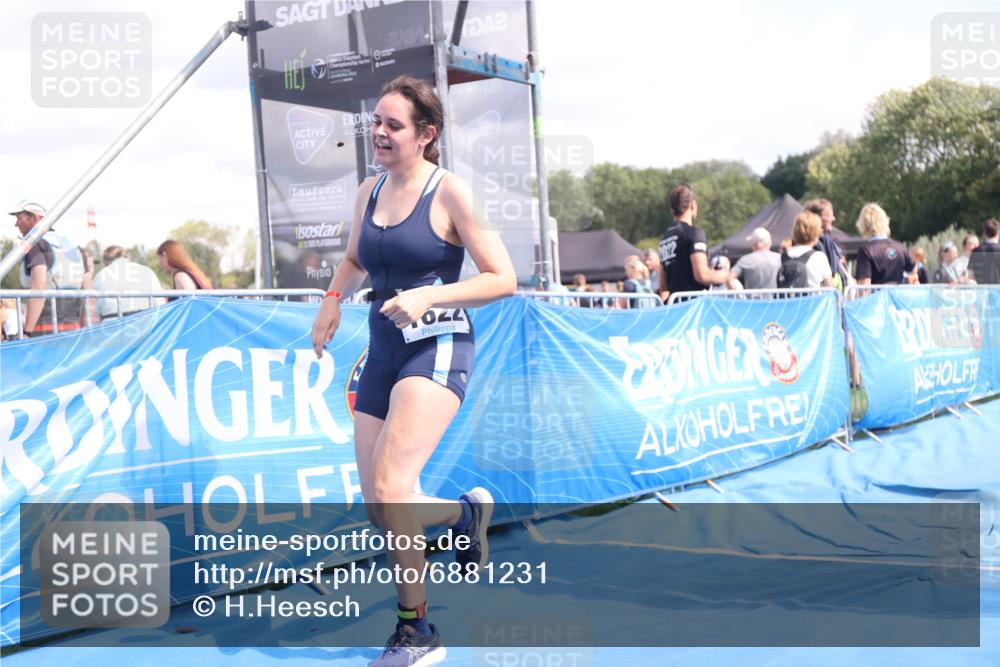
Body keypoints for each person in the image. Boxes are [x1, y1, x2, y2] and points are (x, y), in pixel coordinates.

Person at [308, 75, 516, 666]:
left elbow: (503, 278)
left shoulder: (452, 193)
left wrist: (430, 295)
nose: (378, 132)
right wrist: (331, 299)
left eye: (392, 125)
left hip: (438, 344)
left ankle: (417, 632)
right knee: (380, 505)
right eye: (376, 121)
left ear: (426, 134)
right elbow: (355, 258)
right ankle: (464, 514)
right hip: (383, 348)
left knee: (392, 489)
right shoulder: (368, 190)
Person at [8, 199, 88, 335]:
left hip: (45, 329)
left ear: (35, 218)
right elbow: (88, 292)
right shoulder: (73, 247)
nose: (16, 224)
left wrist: (27, 332)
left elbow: (39, 289)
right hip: (73, 328)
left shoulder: (36, 244)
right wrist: (85, 328)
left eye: (19, 218)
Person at [658, 184, 728, 302]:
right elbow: (702, 275)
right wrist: (723, 274)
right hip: (695, 305)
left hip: (675, 304)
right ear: (693, 204)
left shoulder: (664, 238)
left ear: (672, 208)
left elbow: (663, 285)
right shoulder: (694, 233)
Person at [93, 245, 166, 318]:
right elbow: (160, 305)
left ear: (106, 261)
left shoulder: (100, 275)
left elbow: (94, 314)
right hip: (145, 322)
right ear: (128, 257)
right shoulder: (147, 271)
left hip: (111, 322)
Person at [854, 203, 914, 285]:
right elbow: (913, 272)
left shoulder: (866, 251)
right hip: (898, 293)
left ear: (863, 225)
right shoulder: (901, 248)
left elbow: (864, 287)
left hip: (878, 293)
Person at [804, 198, 851, 288]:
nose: (833, 218)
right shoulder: (810, 244)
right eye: (829, 215)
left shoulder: (831, 242)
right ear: (817, 218)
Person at [779, 210, 833, 288]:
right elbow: (829, 286)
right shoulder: (819, 257)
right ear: (816, 234)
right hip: (812, 296)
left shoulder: (783, 256)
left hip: (787, 296)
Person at [968, 219, 1000, 285]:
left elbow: (970, 274)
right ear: (998, 233)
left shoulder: (976, 251)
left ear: (984, 233)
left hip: (982, 289)